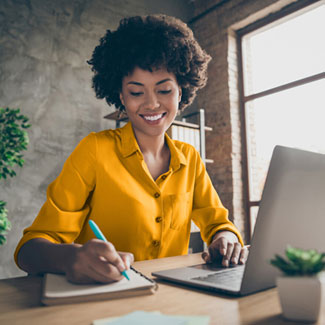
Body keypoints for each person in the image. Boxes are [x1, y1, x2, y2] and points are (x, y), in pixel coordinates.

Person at [14, 14, 248, 284]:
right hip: (100, 302)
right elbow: (29, 251)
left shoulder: (190, 158)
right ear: (121, 97)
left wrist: (226, 239)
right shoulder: (95, 151)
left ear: (180, 92)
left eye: (164, 90)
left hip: (171, 301)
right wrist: (70, 258)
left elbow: (218, 223)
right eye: (137, 93)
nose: (151, 104)